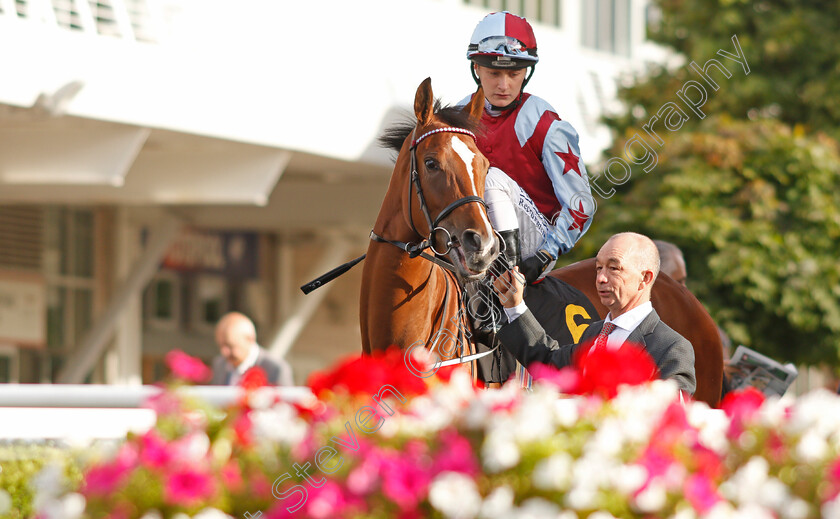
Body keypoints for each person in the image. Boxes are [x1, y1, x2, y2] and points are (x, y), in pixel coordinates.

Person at [460, 11, 594, 285]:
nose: (503, 85)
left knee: (492, 176)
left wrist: (547, 253)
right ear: (477, 69)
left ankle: (508, 273)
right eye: (494, 72)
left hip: (536, 240)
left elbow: (582, 204)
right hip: (475, 231)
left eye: (514, 73)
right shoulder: (457, 116)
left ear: (526, 73)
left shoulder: (544, 124)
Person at [492, 232, 696, 396]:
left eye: (614, 268)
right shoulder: (593, 333)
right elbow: (547, 360)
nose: (600, 278)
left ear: (644, 278)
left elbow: (670, 423)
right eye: (599, 268)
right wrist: (514, 305)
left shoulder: (672, 347)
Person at [210, 312, 293, 386]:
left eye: (231, 346)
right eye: (221, 346)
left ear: (250, 339)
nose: (224, 352)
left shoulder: (275, 369)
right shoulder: (220, 364)